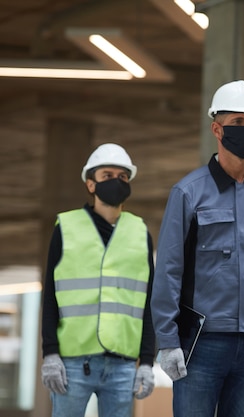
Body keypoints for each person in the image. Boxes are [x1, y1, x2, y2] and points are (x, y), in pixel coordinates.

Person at [151, 79, 244, 417]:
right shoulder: (188, 193)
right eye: (237, 123)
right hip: (201, 343)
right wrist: (168, 341)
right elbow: (169, 272)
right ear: (217, 129)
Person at [40, 143, 156, 417]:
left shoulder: (139, 232)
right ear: (91, 184)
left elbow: (148, 302)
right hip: (72, 363)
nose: (116, 181)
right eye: (107, 175)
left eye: (123, 176)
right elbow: (50, 297)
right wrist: (50, 354)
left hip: (123, 364)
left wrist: (148, 362)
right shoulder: (66, 228)